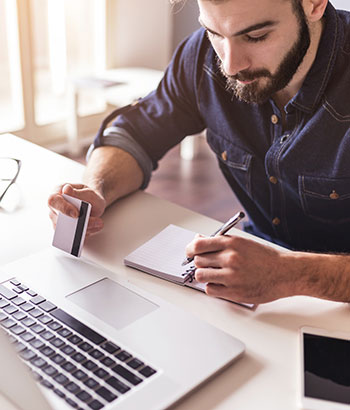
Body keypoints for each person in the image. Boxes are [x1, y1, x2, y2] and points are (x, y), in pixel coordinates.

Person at [48, 0, 350, 305]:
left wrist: (289, 274)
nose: (231, 67)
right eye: (215, 33)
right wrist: (97, 188)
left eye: (256, 37)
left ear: (313, 4)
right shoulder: (203, 58)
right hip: (251, 290)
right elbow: (135, 132)